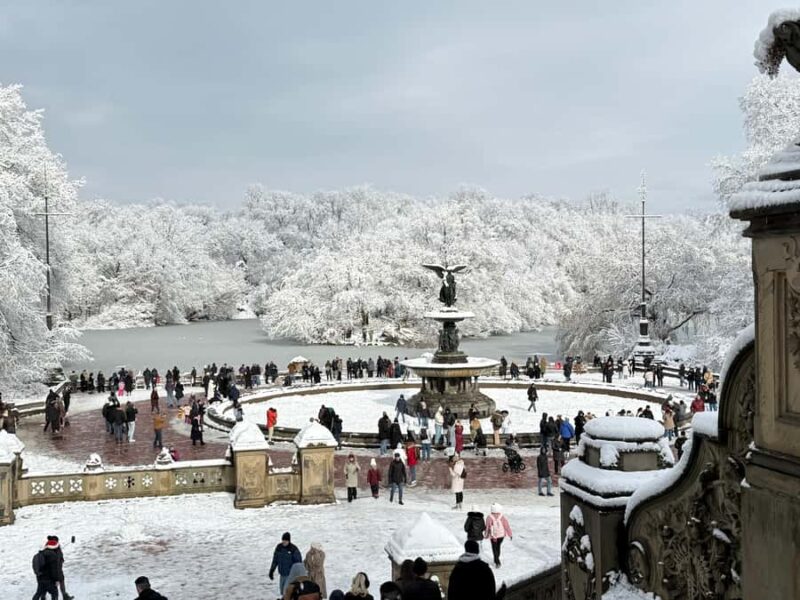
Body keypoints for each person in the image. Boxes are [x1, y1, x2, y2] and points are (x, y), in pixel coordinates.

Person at [270, 532, 303, 596]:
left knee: (286, 592)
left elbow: (298, 563)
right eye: (283, 540)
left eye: (285, 540)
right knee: (282, 591)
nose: (284, 542)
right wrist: (272, 570)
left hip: (290, 575)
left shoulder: (293, 549)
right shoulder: (279, 547)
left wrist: (298, 575)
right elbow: (275, 559)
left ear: (289, 541)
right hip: (282, 574)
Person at [485, 503, 512, 568]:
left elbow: (487, 527)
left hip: (493, 536)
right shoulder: (502, 517)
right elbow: (506, 526)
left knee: (494, 548)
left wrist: (486, 535)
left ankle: (497, 561)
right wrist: (510, 534)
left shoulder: (489, 517)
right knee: (498, 546)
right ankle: (497, 559)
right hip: (501, 535)